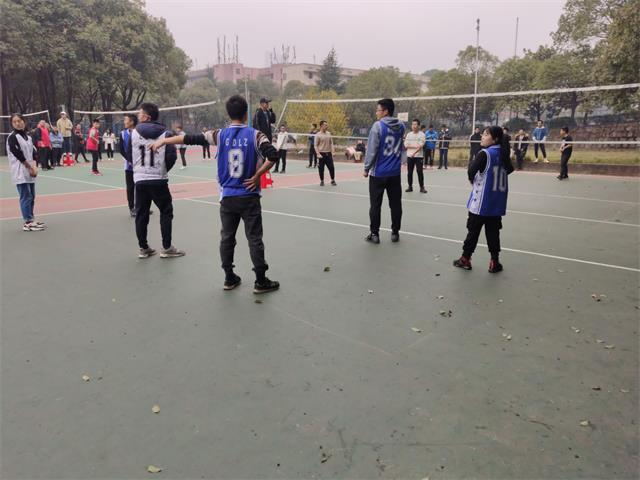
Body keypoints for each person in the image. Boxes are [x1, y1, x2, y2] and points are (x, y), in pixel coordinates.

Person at [153, 95, 280, 293]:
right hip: (249, 195)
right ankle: (261, 280)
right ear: (245, 114)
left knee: (227, 238)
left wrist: (164, 141)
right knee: (254, 238)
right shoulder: (256, 136)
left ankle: (229, 277)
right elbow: (273, 155)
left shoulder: (219, 135)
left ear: (229, 114)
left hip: (227, 196)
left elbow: (189, 138)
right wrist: (257, 175)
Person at [453, 126, 514, 273]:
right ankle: (494, 262)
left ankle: (465, 259)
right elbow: (510, 169)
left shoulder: (485, 154)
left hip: (481, 202)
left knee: (473, 232)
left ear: (495, 139)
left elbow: (471, 171)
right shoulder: (503, 153)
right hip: (496, 202)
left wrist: (472, 179)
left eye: (486, 134)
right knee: (493, 233)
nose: (482, 136)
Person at [128, 102, 184, 259]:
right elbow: (172, 156)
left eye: (140, 114)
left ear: (147, 117)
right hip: (158, 179)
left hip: (140, 179)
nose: (138, 116)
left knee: (141, 214)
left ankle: (143, 247)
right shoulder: (166, 134)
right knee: (166, 211)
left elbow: (128, 153)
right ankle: (166, 247)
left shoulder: (133, 133)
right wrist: (163, 169)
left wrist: (138, 168)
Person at [363, 98, 405, 244]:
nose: (376, 112)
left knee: (375, 205)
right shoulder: (401, 126)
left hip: (379, 173)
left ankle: (374, 234)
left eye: (378, 110)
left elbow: (372, 150)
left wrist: (366, 168)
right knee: (396, 204)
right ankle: (395, 232)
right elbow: (402, 146)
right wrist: (402, 161)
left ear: (385, 111)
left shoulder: (378, 126)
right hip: (395, 173)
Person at [6, 114, 45, 231]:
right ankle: (27, 222)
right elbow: (17, 154)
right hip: (20, 171)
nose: (17, 123)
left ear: (24, 121)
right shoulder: (12, 137)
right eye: (14, 122)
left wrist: (35, 167)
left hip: (29, 170)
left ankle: (31, 219)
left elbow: (33, 153)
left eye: (19, 120)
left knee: (32, 196)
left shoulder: (28, 137)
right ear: (12, 124)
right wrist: (29, 167)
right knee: (25, 196)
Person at [120, 113, 153, 217]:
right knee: (130, 188)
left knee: (142, 187)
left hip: (140, 165)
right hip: (129, 166)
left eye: (126, 120)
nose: (124, 122)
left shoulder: (141, 132)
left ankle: (143, 207)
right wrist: (129, 160)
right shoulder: (122, 134)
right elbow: (121, 149)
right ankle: (132, 208)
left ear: (132, 122)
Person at [404, 118, 427, 193]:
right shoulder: (409, 134)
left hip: (418, 156)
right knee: (409, 172)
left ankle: (422, 187)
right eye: (412, 124)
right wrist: (414, 147)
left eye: (415, 124)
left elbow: (420, 146)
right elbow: (406, 145)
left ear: (419, 126)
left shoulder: (422, 135)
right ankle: (410, 187)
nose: (414, 126)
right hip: (409, 156)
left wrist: (414, 152)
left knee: (419, 171)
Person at [314, 120, 336, 186]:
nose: (326, 126)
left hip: (328, 154)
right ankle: (322, 181)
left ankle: (332, 180)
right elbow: (315, 145)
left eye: (327, 125)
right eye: (325, 125)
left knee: (331, 167)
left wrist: (333, 151)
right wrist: (318, 154)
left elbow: (331, 143)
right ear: (321, 126)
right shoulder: (318, 135)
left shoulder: (329, 134)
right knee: (321, 169)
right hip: (321, 154)